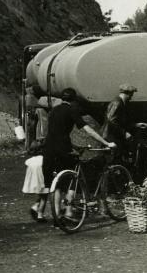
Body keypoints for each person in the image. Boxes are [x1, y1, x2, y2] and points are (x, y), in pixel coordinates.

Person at [38, 88, 116, 222]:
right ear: (74, 100)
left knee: (55, 183)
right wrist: (106, 143)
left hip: (48, 149)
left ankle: (57, 214)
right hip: (63, 149)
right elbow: (87, 129)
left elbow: (55, 132)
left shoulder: (54, 110)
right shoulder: (72, 110)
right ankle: (68, 212)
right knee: (72, 179)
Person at [101, 83, 138, 160]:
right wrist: (124, 133)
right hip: (111, 137)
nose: (131, 97)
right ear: (128, 93)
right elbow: (111, 120)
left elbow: (118, 121)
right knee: (113, 161)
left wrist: (136, 125)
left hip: (112, 135)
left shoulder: (120, 102)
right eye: (131, 95)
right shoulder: (117, 103)